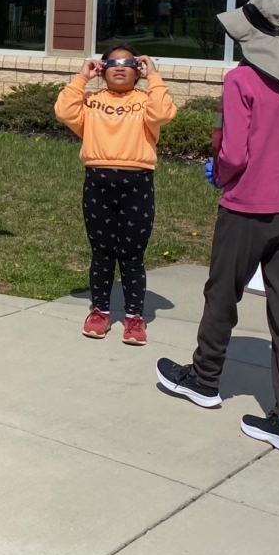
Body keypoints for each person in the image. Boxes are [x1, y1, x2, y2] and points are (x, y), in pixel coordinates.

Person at [156, 0, 279, 457]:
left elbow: (233, 154)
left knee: (222, 294)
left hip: (247, 208)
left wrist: (220, 171)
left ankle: (204, 379)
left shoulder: (241, 80)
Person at [55, 46, 177, 346]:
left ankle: (134, 316)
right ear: (102, 69)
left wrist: (154, 77)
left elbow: (164, 112)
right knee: (102, 253)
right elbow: (64, 111)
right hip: (98, 182)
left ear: (138, 71)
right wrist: (82, 78)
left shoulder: (146, 101)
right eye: (112, 63)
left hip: (137, 184)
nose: (120, 67)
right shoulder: (91, 101)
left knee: (132, 256)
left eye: (127, 63)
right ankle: (100, 311)